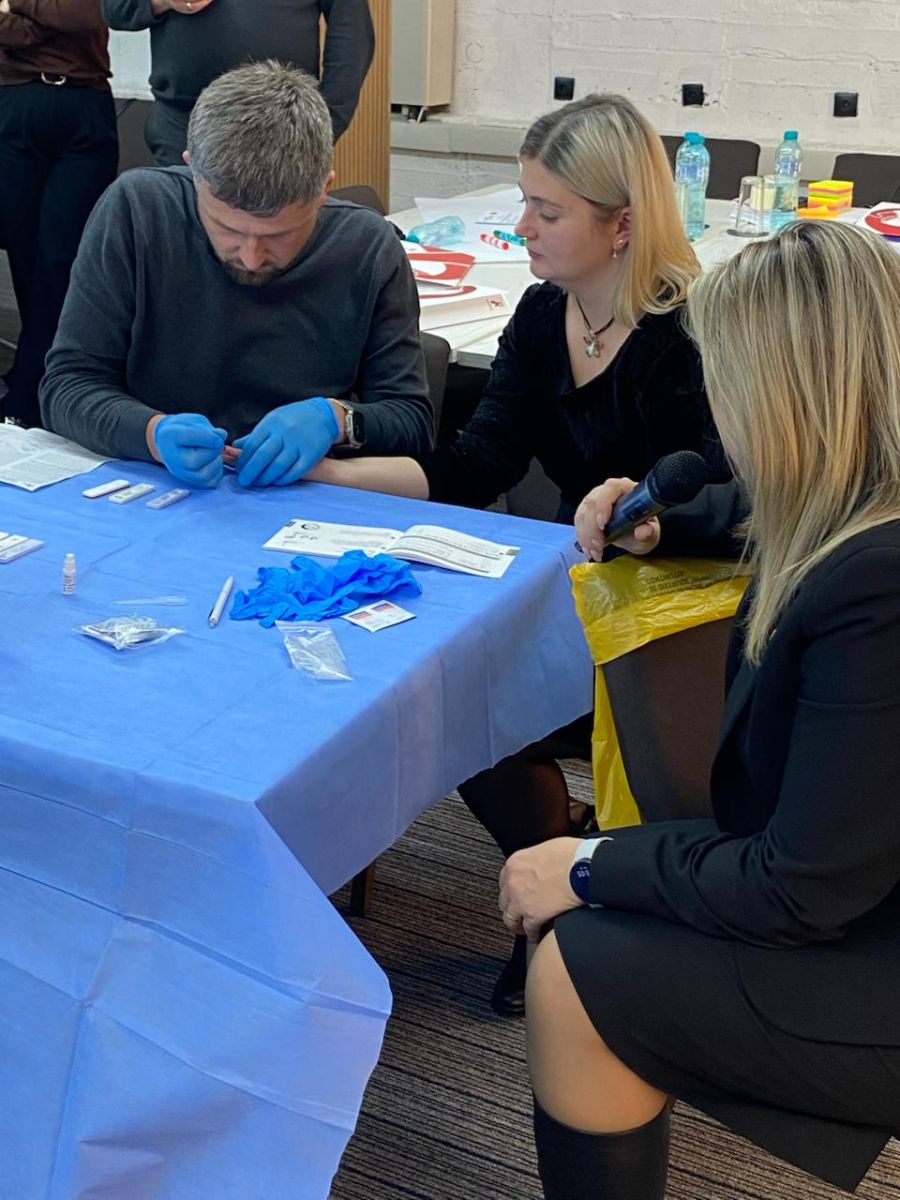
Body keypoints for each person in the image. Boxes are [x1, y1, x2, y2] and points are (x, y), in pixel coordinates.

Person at [500, 220, 900, 1199]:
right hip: (861, 891)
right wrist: (658, 517)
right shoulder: (860, 518)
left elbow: (799, 889)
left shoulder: (876, 588)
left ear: (784, 396)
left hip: (863, 931)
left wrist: (587, 864)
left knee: (577, 970)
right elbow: (733, 511)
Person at [305, 93, 725, 1013]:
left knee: (491, 686)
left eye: (547, 210)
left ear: (621, 226)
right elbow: (476, 465)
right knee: (458, 685)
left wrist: (655, 523)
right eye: (525, 202)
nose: (523, 226)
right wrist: (330, 472)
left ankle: (588, 891)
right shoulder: (543, 316)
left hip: (689, 604)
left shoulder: (694, 334)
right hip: (587, 580)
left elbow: (731, 498)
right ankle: (556, 882)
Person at [40, 61, 432, 489]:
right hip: (156, 486)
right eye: (227, 229)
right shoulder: (137, 211)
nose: (251, 257)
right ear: (193, 171)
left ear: (324, 188)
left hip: (302, 498)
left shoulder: (368, 247)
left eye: (279, 235)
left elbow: (412, 421)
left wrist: (338, 419)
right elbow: (67, 385)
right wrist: (150, 433)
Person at [0, 0, 118, 428]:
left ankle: (32, 389)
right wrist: (48, 21)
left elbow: (87, 16)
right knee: (25, 253)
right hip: (15, 103)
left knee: (63, 260)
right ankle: (35, 375)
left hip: (84, 106)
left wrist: (15, 5)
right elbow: (57, 21)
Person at [102, 0, 374, 166]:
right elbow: (115, 9)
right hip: (182, 123)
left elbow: (352, 38)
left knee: (274, 236)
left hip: (281, 124)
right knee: (184, 231)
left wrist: (324, 125)